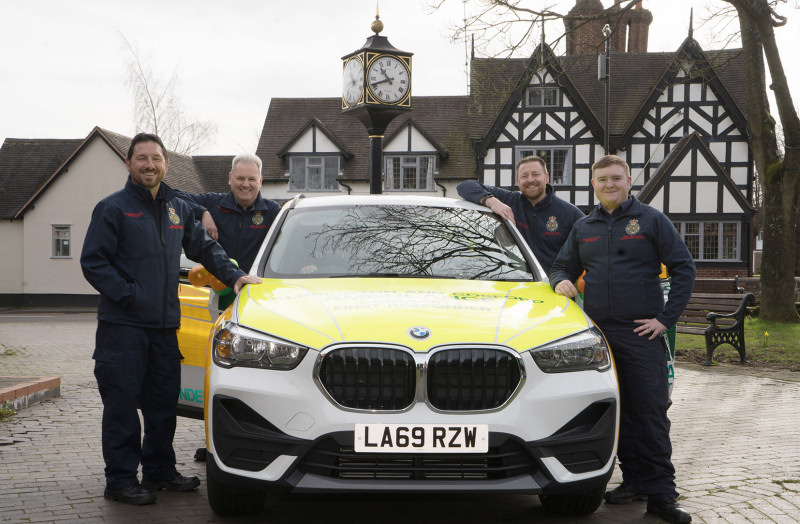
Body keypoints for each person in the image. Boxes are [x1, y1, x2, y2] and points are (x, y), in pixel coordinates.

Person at [80, 133, 261, 506]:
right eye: (142, 158)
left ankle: (159, 470)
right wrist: (130, 295)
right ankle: (120, 479)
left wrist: (235, 276)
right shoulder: (112, 208)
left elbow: (205, 248)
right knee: (122, 406)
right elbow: (93, 262)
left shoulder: (177, 208)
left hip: (164, 328)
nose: (149, 165)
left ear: (166, 164)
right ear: (129, 164)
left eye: (156, 159)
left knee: (162, 404)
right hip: (123, 328)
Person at [549, 154, 695, 524]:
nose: (609, 184)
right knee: (618, 413)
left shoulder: (651, 220)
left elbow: (684, 267)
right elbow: (563, 265)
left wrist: (665, 319)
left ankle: (662, 495)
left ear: (629, 180)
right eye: (602, 180)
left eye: (616, 178)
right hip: (599, 337)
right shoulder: (585, 227)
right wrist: (560, 281)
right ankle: (634, 481)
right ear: (593, 184)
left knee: (650, 412)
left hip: (640, 334)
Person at [457, 155, 584, 275]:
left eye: (535, 174)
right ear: (518, 181)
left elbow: (590, 252)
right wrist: (492, 201)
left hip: (553, 288)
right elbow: (464, 187)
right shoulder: (509, 200)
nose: (530, 180)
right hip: (514, 283)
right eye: (524, 176)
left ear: (546, 177)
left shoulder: (570, 214)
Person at [177, 153, 280, 273]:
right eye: (240, 178)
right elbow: (174, 196)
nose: (246, 184)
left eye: (252, 179)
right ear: (230, 178)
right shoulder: (212, 203)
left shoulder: (272, 212)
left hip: (255, 287)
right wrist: (203, 212)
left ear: (260, 181)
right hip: (217, 287)